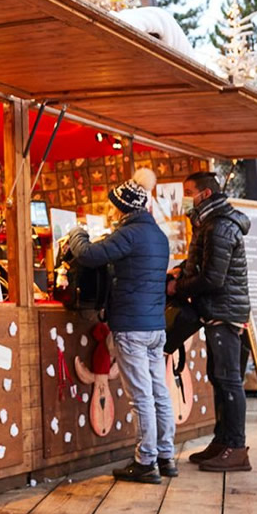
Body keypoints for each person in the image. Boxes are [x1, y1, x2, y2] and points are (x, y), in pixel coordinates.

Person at [64, 168, 175, 484]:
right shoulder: (157, 235)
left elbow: (88, 254)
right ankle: (166, 456)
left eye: (116, 205)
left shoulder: (129, 234)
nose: (113, 210)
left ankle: (145, 462)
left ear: (125, 206)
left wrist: (77, 232)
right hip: (155, 326)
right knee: (158, 391)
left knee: (141, 395)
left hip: (132, 326)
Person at [168, 171, 252, 473]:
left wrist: (179, 286)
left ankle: (237, 448)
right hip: (218, 310)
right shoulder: (210, 223)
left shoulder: (219, 226)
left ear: (204, 194)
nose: (187, 198)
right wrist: (182, 271)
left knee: (228, 379)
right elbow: (204, 264)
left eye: (190, 192)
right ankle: (223, 441)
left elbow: (213, 278)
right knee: (219, 378)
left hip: (225, 313)